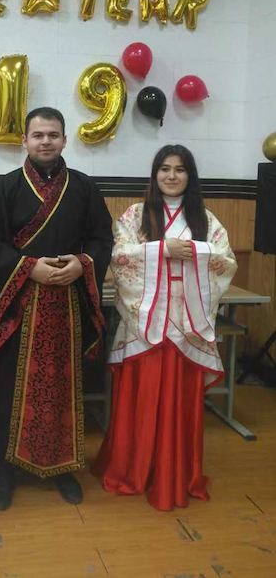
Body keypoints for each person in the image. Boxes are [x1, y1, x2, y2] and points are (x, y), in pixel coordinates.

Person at [0, 107, 114, 510]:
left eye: (53, 135)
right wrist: (29, 268)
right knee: (10, 387)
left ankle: (63, 467)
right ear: (25, 141)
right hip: (17, 305)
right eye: (38, 135)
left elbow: (102, 240)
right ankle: (5, 468)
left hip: (68, 303)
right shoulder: (4, 188)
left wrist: (81, 265)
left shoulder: (84, 188)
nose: (45, 141)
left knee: (64, 387)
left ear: (65, 139)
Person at [94, 145, 237, 511]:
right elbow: (119, 256)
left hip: (188, 323)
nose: (172, 176)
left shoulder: (205, 219)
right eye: (165, 169)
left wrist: (200, 254)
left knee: (181, 402)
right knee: (141, 400)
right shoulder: (136, 214)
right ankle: (134, 469)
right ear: (155, 174)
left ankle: (177, 473)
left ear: (190, 176)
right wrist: (162, 249)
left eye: (180, 169)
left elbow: (225, 261)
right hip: (146, 322)